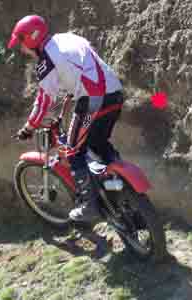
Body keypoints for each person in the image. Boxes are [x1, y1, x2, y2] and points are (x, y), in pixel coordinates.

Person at [8, 15, 124, 222]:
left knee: (72, 150)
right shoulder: (68, 38)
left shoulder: (46, 62)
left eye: (22, 44)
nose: (22, 50)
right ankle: (122, 191)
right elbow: (85, 64)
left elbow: (44, 100)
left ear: (31, 39)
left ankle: (90, 206)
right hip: (115, 94)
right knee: (96, 143)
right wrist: (73, 89)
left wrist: (29, 126)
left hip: (92, 104)